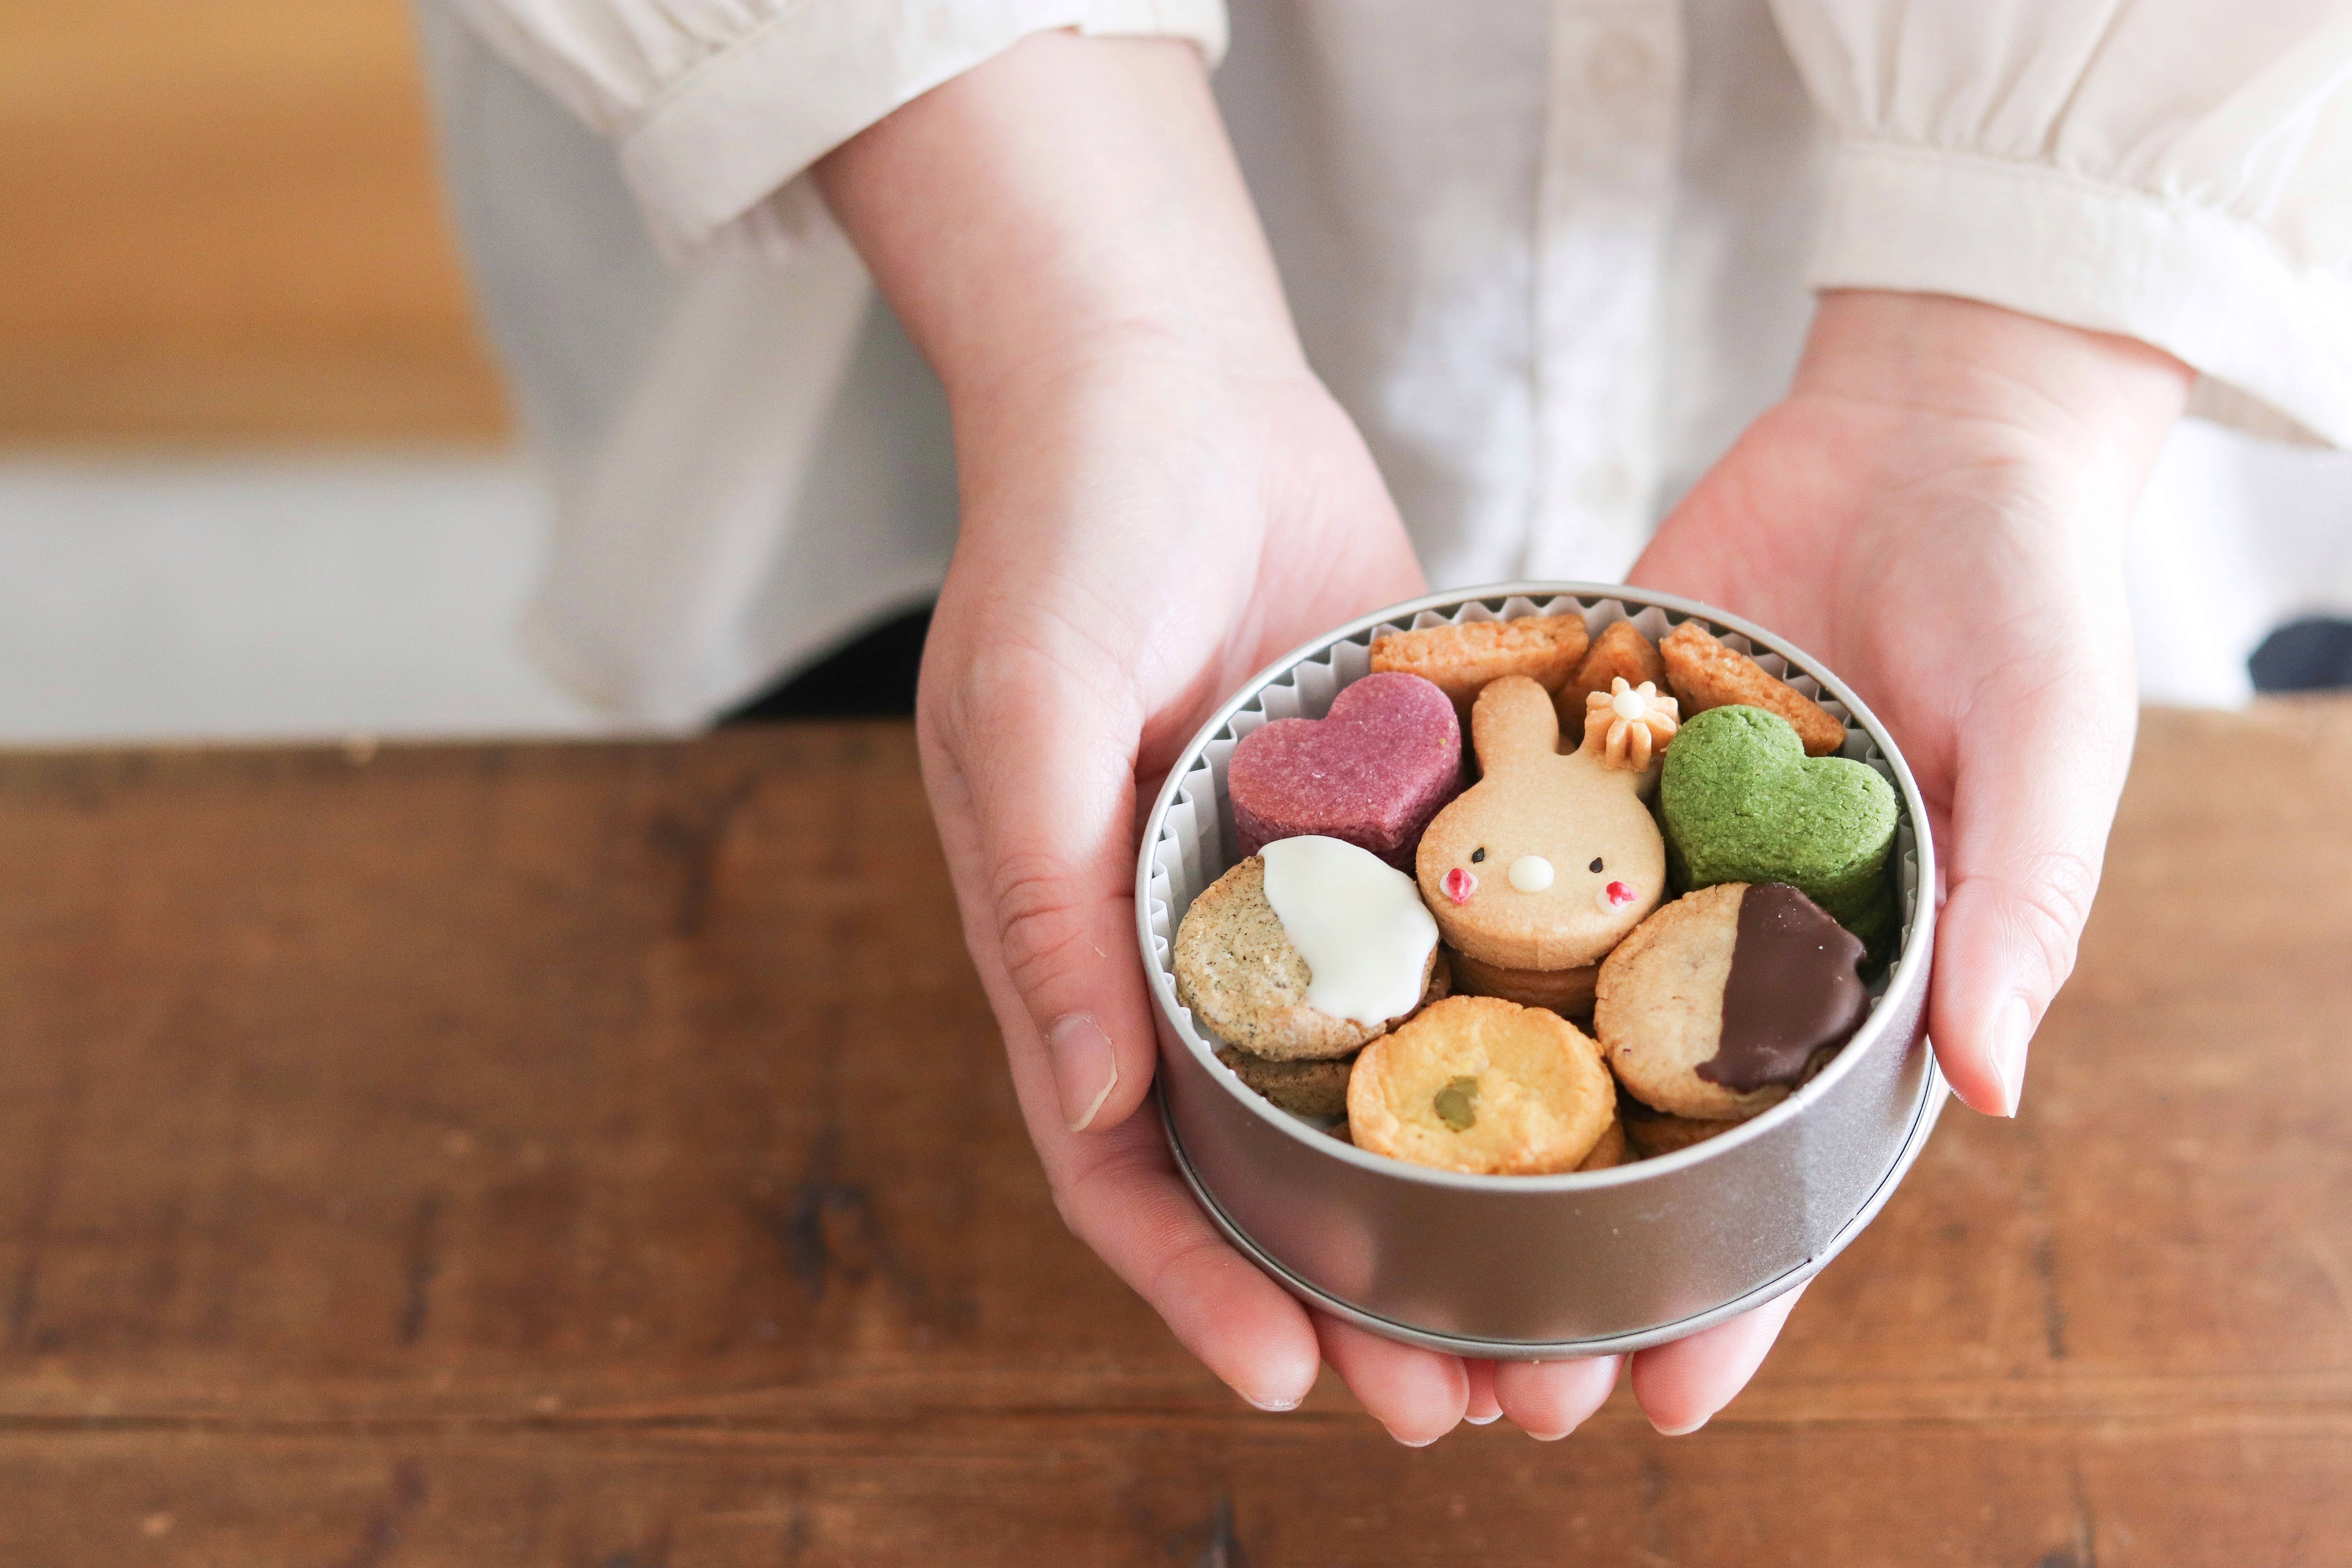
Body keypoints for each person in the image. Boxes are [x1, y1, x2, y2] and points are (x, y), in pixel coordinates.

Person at [414, 2, 2352, 1443]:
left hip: (2103, 227)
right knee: (998, 782)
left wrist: (2001, 376)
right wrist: (1104, 326)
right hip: (968, 223)